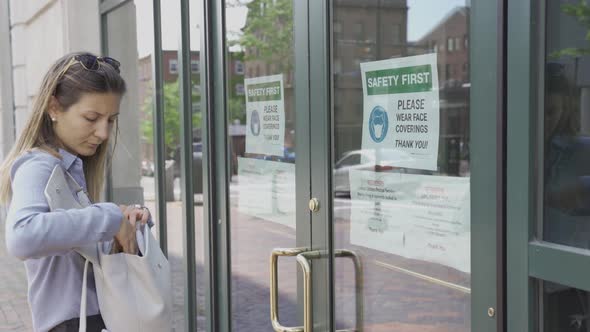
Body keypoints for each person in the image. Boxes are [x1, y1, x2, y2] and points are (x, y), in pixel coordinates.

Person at [0, 52, 151, 332]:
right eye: (92, 117)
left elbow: (74, 252)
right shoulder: (39, 164)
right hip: (72, 323)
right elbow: (22, 236)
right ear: (54, 107)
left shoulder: (69, 167)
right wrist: (108, 218)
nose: (103, 133)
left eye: (110, 120)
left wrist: (126, 222)